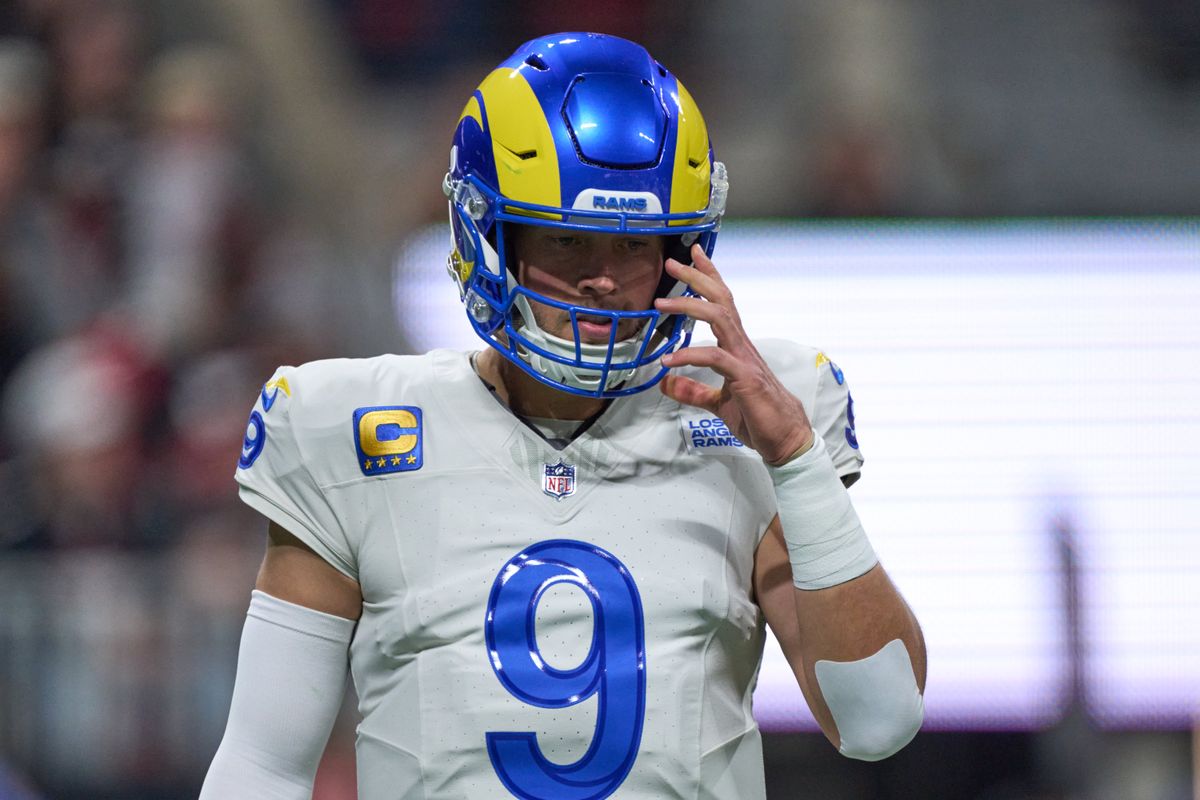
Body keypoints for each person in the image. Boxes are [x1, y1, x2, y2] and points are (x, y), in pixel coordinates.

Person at [200, 32, 926, 800]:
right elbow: (263, 767)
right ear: (487, 235)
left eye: (633, 245)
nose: (602, 280)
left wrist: (797, 460)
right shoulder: (350, 427)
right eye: (568, 239)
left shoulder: (755, 419)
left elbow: (879, 719)